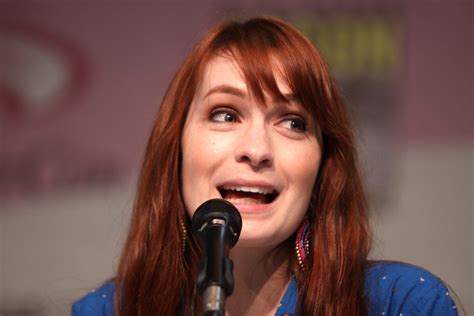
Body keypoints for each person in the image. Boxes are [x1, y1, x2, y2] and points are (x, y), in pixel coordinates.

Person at [72, 16, 459, 315]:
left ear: (324, 166)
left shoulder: (401, 303)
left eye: (293, 123)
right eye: (225, 114)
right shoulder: (108, 311)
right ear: (177, 147)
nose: (257, 149)